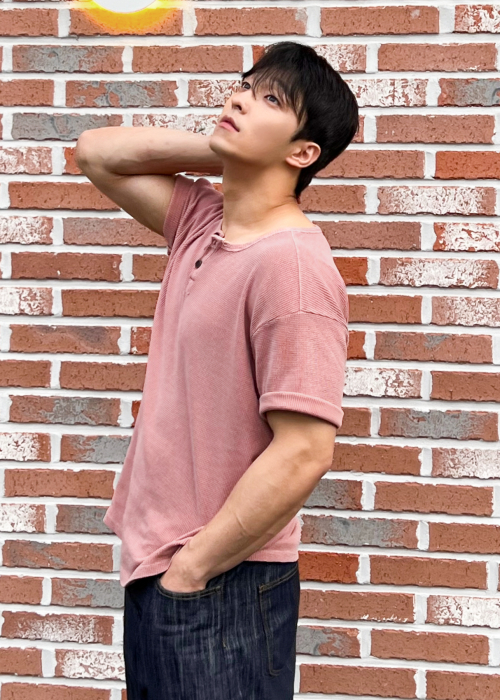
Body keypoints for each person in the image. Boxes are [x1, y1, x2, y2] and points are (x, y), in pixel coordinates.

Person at [75, 40, 359, 700]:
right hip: (163, 568)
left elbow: (305, 450)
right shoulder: (203, 222)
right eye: (244, 86)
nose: (239, 99)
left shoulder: (293, 269)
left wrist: (193, 570)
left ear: (303, 153)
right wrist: (231, 150)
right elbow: (96, 153)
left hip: (222, 579)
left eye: (270, 100)